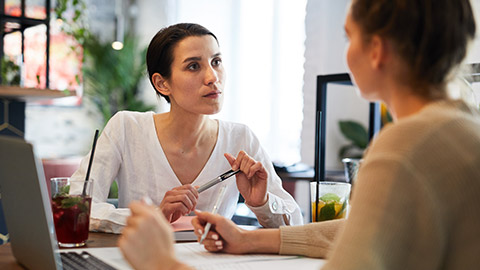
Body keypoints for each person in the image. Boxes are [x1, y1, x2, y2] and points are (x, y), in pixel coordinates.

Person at [118, 0, 480, 269]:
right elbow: (356, 231)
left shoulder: (405, 147)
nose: (212, 76)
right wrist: (248, 239)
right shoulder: (458, 128)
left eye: (348, 37)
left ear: (377, 50)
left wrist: (162, 263)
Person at [71, 23, 303, 233]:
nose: (213, 77)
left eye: (216, 62)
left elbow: (295, 223)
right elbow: (76, 204)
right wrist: (154, 216)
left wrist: (261, 203)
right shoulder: (127, 128)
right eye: (194, 66)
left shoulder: (241, 138)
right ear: (162, 84)